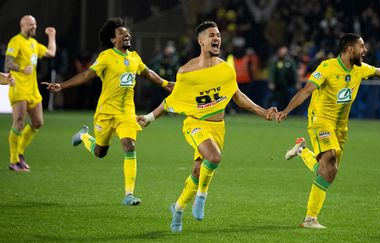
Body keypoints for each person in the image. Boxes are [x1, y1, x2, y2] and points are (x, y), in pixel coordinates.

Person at [137, 21, 277, 233]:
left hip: (218, 127)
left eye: (219, 35)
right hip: (195, 124)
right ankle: (202, 196)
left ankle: (177, 209)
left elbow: (237, 97)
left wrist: (263, 111)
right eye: (211, 35)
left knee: (197, 169)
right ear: (201, 41)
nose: (217, 38)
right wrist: (149, 117)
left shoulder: (226, 70)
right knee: (214, 157)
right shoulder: (186, 72)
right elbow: (172, 100)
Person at [277, 33, 380, 229]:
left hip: (340, 127)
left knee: (328, 171)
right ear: (349, 49)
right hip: (320, 120)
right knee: (329, 161)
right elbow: (306, 90)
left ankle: (302, 151)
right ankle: (310, 219)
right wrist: (286, 111)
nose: (364, 51)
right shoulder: (327, 67)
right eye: (361, 47)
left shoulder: (360, 69)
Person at [43, 18, 173, 206]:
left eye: (127, 32)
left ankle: (129, 194)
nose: (126, 34)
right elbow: (87, 75)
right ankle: (84, 136)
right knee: (100, 152)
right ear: (113, 39)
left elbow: (147, 72)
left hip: (127, 113)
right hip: (106, 112)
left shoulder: (135, 57)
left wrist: (164, 83)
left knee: (129, 145)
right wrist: (61, 86)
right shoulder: (106, 57)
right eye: (121, 33)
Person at [5, 15, 56, 172]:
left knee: (38, 122)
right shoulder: (16, 41)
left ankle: (19, 153)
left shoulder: (33, 43)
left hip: (33, 90)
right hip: (18, 88)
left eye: (35, 24)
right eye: (30, 24)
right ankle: (14, 160)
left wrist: (52, 35)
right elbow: (8, 62)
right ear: (22, 25)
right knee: (19, 122)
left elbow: (51, 53)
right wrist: (21, 68)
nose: (34, 27)